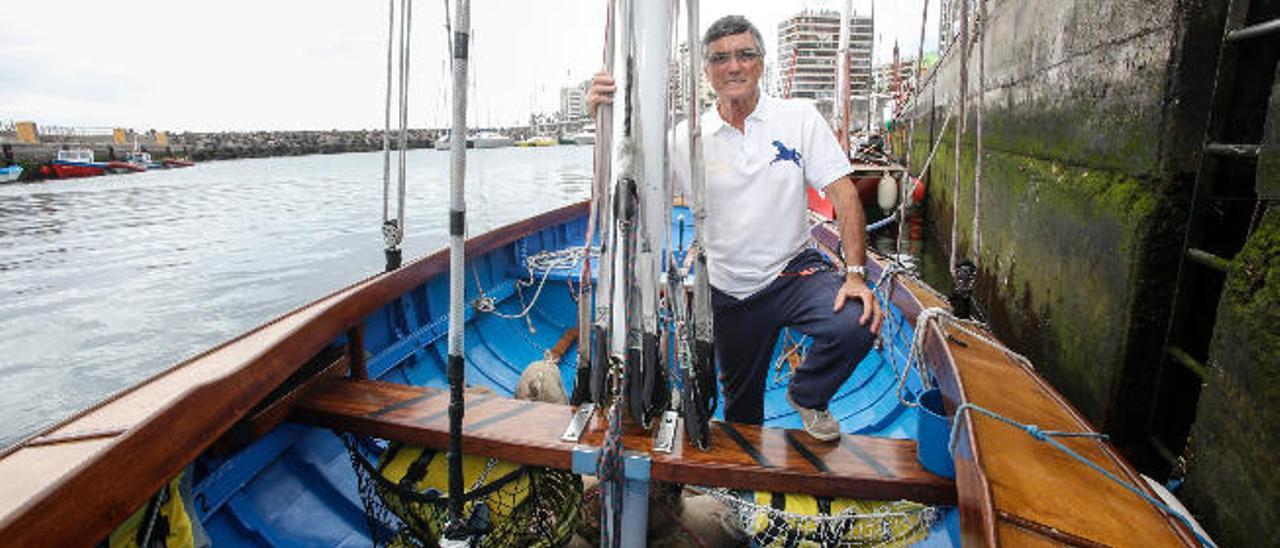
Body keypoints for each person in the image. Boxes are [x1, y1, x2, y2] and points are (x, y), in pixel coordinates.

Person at [586, 15, 883, 442]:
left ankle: (808, 394)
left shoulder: (797, 117)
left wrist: (855, 275)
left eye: (745, 55)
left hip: (792, 273)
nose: (733, 66)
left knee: (856, 322)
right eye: (720, 58)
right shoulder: (686, 139)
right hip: (727, 291)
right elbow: (624, 189)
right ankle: (744, 494)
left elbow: (845, 196)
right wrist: (605, 120)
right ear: (707, 72)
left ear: (761, 64)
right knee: (742, 418)